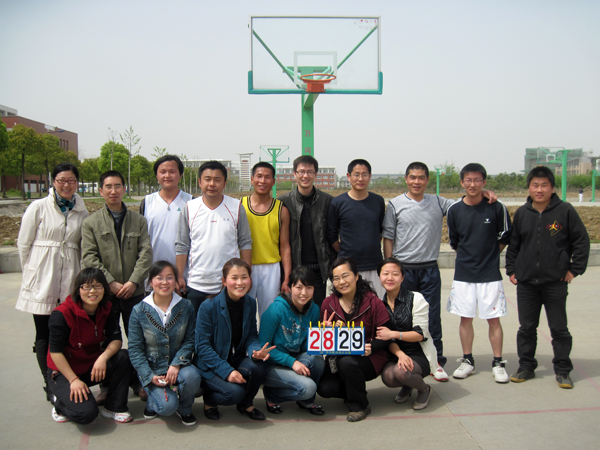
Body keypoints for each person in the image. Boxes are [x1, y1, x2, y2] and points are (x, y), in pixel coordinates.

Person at [382, 162, 497, 382]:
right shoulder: (395, 204)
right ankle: (404, 358)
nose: (417, 182)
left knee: (432, 317)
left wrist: (483, 193)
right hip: (404, 271)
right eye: (413, 177)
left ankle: (437, 362)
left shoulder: (438, 202)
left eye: (421, 178)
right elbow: (388, 236)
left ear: (427, 180)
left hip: (429, 269)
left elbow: (465, 203)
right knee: (401, 319)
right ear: (406, 179)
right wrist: (390, 267)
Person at [506, 166, 589, 389]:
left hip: (555, 282)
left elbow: (581, 241)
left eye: (544, 185)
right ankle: (526, 366)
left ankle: (562, 370)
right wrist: (512, 270)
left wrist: (575, 269)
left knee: (559, 328)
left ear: (552, 188)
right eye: (535, 185)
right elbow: (514, 244)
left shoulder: (565, 211)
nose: (539, 189)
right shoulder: (522, 213)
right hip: (526, 283)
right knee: (526, 328)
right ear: (529, 188)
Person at [16, 163, 89, 400]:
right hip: (42, 275)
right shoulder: (38, 207)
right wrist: (31, 272)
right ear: (53, 182)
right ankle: (49, 383)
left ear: (77, 183)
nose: (66, 185)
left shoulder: (81, 210)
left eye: (71, 180)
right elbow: (24, 244)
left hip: (69, 273)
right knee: (43, 333)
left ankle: (62, 380)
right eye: (61, 180)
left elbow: (82, 245)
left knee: (63, 332)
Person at [81, 170, 153, 401]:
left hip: (134, 292)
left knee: (139, 339)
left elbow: (146, 253)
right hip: (105, 294)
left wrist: (133, 281)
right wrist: (110, 283)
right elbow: (89, 257)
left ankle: (140, 382)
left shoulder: (139, 221)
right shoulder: (90, 223)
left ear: (124, 188)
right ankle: (107, 386)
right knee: (105, 340)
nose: (113, 191)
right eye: (108, 187)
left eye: (118, 186)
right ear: (101, 190)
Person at [446, 163, 512, 383]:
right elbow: (455, 241)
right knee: (465, 319)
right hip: (464, 275)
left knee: (494, 320)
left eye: (477, 180)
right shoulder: (454, 210)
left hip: (490, 275)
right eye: (468, 180)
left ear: (484, 182)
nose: (472, 184)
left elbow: (505, 236)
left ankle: (498, 362)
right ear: (462, 182)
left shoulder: (497, 207)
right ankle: (468, 361)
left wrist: (489, 255)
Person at [47, 268, 133, 424]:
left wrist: (103, 357)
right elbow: (55, 352)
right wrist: (73, 380)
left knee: (123, 357)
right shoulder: (62, 314)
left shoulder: (106, 308)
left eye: (98, 286)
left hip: (91, 367)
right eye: (86, 286)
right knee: (86, 414)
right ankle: (59, 403)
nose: (92, 291)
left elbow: (116, 339)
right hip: (64, 372)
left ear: (104, 289)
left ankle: (114, 407)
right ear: (78, 290)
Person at [194, 258, 274, 421]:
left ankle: (246, 404)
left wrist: (255, 352)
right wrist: (227, 371)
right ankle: (210, 401)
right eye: (234, 278)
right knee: (234, 393)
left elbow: (251, 335)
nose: (240, 282)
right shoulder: (208, 306)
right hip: (211, 365)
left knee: (258, 366)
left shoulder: (250, 303)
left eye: (244, 277)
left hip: (234, 359)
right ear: (224, 281)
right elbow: (202, 347)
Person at [317, 257, 391, 422]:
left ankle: (359, 405)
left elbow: (386, 336)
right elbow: (324, 343)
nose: (341, 282)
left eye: (345, 276)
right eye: (336, 278)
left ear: (356, 276)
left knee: (347, 362)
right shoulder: (328, 303)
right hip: (338, 357)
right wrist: (326, 331)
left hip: (369, 356)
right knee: (325, 388)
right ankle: (355, 391)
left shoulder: (373, 302)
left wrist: (371, 347)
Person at [128, 261, 201, 426]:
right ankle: (154, 400)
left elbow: (190, 339)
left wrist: (176, 364)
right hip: (153, 368)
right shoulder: (139, 310)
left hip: (179, 366)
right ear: (151, 281)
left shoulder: (186, 306)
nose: (164, 282)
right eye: (159, 278)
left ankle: (185, 408)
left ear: (175, 281)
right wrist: (149, 375)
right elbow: (135, 349)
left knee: (192, 376)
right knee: (167, 407)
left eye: (169, 277)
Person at [176, 161, 252, 314]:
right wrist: (179, 276)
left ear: (224, 183)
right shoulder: (189, 208)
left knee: (227, 327)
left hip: (228, 284)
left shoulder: (236, 207)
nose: (212, 184)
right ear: (200, 182)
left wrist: (246, 276)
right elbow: (182, 245)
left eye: (217, 180)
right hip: (196, 284)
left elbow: (245, 242)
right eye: (207, 179)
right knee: (197, 327)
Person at [259, 267, 325, 415]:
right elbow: (264, 348)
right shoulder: (275, 309)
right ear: (289, 288)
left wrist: (320, 334)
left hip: (295, 359)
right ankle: (272, 395)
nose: (304, 293)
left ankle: (306, 401)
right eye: (299, 287)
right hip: (272, 365)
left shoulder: (314, 309)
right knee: (308, 388)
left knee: (317, 359)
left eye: (309, 288)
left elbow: (307, 347)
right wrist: (292, 362)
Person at [376, 258, 438, 410]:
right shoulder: (379, 304)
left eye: (395, 274)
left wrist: (395, 334)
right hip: (396, 353)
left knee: (402, 372)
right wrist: (400, 355)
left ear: (402, 277)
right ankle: (408, 384)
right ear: (379, 277)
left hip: (418, 352)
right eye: (385, 274)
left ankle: (424, 389)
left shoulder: (416, 298)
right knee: (388, 377)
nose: (390, 278)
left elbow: (420, 334)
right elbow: (385, 338)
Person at [278, 155, 337, 306]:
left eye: (310, 172)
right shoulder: (283, 202)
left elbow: (333, 235)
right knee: (294, 311)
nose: (305, 176)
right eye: (301, 172)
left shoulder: (328, 201)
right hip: (294, 269)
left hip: (319, 270)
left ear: (316, 174)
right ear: (294, 174)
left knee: (317, 311)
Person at [327, 159, 385, 298]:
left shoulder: (378, 201)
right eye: (356, 174)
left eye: (364, 175)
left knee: (374, 305)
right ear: (348, 176)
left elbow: (380, 231)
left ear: (370, 176)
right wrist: (346, 251)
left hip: (374, 265)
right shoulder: (338, 203)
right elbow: (331, 236)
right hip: (347, 267)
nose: (360, 179)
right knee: (348, 305)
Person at [242, 162, 291, 316]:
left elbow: (285, 247)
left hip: (271, 269)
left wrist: (287, 277)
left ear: (274, 181)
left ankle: (267, 335)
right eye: (259, 176)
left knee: (269, 315)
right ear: (252, 179)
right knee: (244, 313)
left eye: (267, 177)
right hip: (245, 266)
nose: (262, 181)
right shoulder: (240, 206)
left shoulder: (281, 210)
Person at [140, 155, 192, 288]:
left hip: (184, 277)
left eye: (172, 171)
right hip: (153, 275)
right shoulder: (147, 202)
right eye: (162, 172)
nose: (167, 175)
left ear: (180, 175)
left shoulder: (191, 202)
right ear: (156, 175)